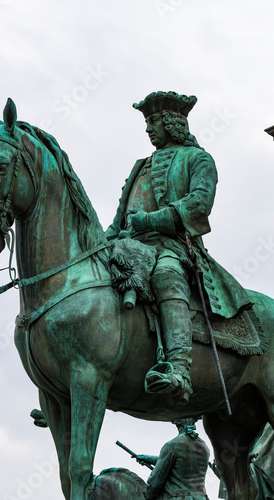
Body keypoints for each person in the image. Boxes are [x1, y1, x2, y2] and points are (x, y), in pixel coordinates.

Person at [106, 91, 252, 403]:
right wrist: (99, 244)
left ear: (173, 123)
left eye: (154, 121)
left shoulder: (198, 159)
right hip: (130, 246)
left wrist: (151, 221)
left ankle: (179, 369)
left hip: (175, 247)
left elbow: (199, 204)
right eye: (147, 122)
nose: (148, 128)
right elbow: (119, 219)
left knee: (166, 274)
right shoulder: (139, 168)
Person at [136, 418, 210, 500]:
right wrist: (148, 459)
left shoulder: (172, 445)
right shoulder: (204, 447)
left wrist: (148, 495)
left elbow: (155, 482)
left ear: (176, 422)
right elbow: (182, 463)